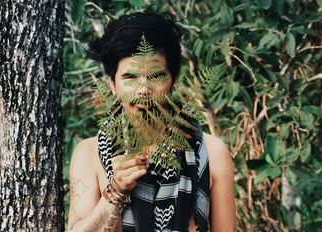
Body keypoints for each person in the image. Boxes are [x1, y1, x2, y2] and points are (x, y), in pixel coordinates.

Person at [68, 12, 236, 232]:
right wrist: (115, 192)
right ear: (112, 84)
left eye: (155, 76)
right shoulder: (89, 154)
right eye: (130, 77)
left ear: (173, 81)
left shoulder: (212, 153)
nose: (143, 90)